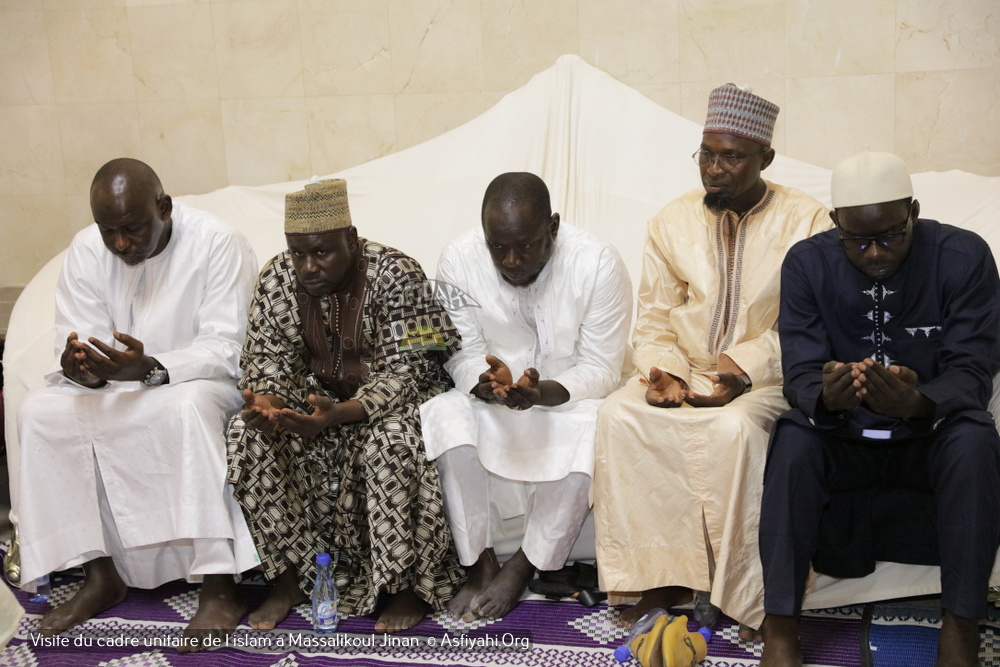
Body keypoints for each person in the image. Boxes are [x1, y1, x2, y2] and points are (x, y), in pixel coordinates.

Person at [593, 84, 830, 633]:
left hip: (768, 377)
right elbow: (653, 318)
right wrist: (664, 375)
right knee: (619, 416)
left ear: (765, 158)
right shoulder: (670, 222)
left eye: (731, 156)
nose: (714, 169)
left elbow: (806, 328)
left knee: (734, 430)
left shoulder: (807, 221)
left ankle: (751, 594)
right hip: (684, 367)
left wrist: (737, 369)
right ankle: (657, 575)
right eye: (706, 153)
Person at [759, 152, 1000, 667]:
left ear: (913, 211)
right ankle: (780, 631)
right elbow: (800, 371)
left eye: (891, 235)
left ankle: (960, 629)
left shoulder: (964, 256)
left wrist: (920, 401)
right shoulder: (806, 264)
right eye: (857, 240)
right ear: (834, 224)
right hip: (843, 436)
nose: (873, 253)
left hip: (929, 439)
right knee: (792, 439)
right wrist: (826, 395)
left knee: (976, 438)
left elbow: (974, 368)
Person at [16, 157, 259, 649]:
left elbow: (228, 346)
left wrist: (152, 368)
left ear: (164, 207)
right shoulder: (87, 249)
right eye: (110, 232)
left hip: (198, 383)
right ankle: (100, 573)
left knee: (186, 409)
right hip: (117, 390)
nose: (121, 244)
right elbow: (77, 332)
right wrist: (78, 367)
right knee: (40, 413)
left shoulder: (218, 242)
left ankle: (218, 585)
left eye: (133, 229)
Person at [226, 178, 464, 634]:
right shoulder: (277, 278)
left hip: (390, 412)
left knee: (391, 439)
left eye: (322, 252)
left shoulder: (399, 273)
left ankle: (406, 587)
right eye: (298, 253)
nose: (307, 266)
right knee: (246, 432)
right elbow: (267, 363)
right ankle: (289, 580)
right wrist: (271, 407)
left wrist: (339, 415)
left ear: (351, 240)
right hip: (318, 410)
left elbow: (412, 372)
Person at [419, 172, 632, 620]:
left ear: (552, 227)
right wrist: (483, 383)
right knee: (442, 414)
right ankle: (480, 563)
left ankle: (523, 566)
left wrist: (543, 393)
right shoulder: (459, 259)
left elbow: (601, 367)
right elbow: (461, 352)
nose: (512, 260)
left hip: (567, 399)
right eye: (498, 247)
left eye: (528, 245)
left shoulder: (598, 263)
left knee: (599, 424)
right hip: (493, 400)